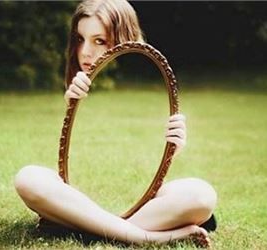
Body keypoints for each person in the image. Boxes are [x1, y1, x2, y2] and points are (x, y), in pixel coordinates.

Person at [15, 0, 217, 247]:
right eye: (80, 39)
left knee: (202, 195)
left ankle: (84, 228)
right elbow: (71, 171)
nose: (86, 51)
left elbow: (147, 178)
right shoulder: (78, 89)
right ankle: (145, 237)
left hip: (136, 205)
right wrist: (70, 107)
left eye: (99, 41)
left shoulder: (150, 77)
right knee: (28, 178)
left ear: (125, 37)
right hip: (84, 202)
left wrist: (171, 149)